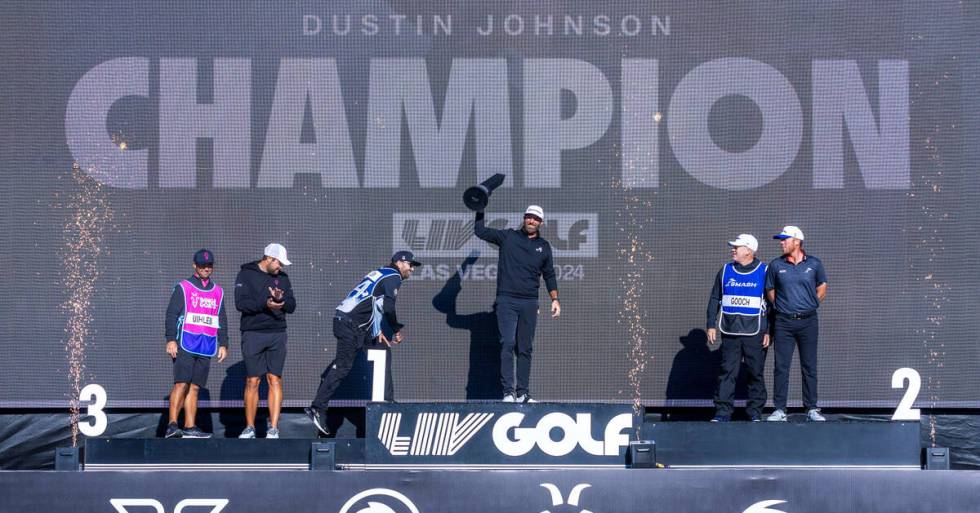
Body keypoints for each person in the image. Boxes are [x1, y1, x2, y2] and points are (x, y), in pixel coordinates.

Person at [305, 251, 421, 436]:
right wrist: (396, 330)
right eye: (410, 265)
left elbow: (372, 302)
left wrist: (377, 330)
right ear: (399, 263)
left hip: (355, 325)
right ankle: (317, 408)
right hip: (350, 325)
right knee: (343, 366)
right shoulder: (394, 276)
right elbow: (389, 308)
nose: (412, 269)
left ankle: (386, 402)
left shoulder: (381, 272)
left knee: (382, 349)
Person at [474, 205, 560, 403]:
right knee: (507, 343)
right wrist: (480, 207)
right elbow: (480, 231)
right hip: (507, 301)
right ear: (524, 218)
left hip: (530, 302)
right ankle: (508, 393)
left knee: (525, 347)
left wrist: (555, 299)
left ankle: (522, 393)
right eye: (529, 217)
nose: (531, 221)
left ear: (541, 222)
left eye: (536, 218)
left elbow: (549, 274)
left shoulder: (544, 246)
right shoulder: (508, 237)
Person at [765, 226, 828, 422]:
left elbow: (822, 286)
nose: (781, 242)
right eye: (781, 240)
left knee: (809, 365)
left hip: (808, 321)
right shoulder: (776, 265)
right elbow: (770, 291)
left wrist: (811, 304)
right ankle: (780, 409)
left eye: (785, 239)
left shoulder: (814, 264)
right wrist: (783, 307)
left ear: (797, 241)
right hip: (784, 322)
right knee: (781, 366)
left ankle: (811, 408)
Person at [164, 249, 228, 438]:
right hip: (185, 342)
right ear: (194, 265)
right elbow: (171, 314)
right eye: (202, 265)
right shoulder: (184, 287)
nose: (206, 268)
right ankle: (172, 425)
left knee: (195, 387)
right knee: (181, 383)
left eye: (209, 265)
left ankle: (190, 426)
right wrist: (170, 339)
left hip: (206, 345)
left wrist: (223, 343)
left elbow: (221, 318)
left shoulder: (218, 291)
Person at [234, 243, 297, 438]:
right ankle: (250, 427)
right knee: (253, 380)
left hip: (277, 333)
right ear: (268, 259)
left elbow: (293, 305)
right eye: (279, 263)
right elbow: (240, 303)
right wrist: (265, 303)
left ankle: (273, 428)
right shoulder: (246, 274)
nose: (281, 268)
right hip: (253, 333)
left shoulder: (283, 278)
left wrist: (281, 302)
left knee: (275, 379)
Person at [706, 234, 770, 422]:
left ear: (749, 250)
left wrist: (769, 330)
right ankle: (723, 413)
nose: (733, 249)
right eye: (733, 246)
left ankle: (755, 413)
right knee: (728, 372)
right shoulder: (725, 270)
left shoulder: (765, 271)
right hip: (730, 331)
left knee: (755, 372)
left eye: (737, 246)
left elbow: (773, 303)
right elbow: (714, 298)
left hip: (755, 332)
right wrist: (711, 324)